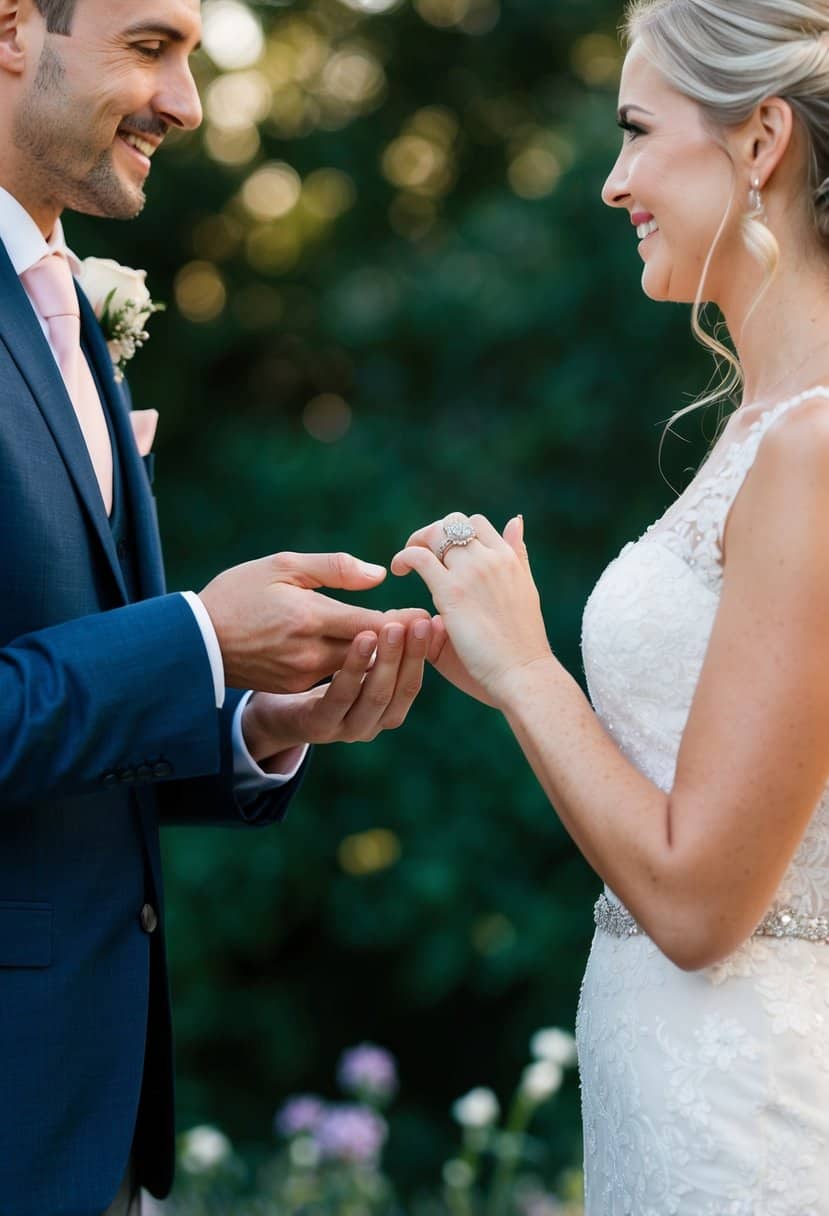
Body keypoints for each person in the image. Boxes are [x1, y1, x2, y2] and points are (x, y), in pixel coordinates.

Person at [393, 1, 829, 1210]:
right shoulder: (763, 428)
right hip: (679, 1099)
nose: (611, 182)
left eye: (636, 131)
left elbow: (698, 902)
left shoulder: (813, 446)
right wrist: (509, 677)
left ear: (759, 144)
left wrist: (535, 671)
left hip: (757, 1127)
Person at [0, 0, 433, 1213]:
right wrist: (194, 636)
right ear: (12, 29)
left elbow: (57, 703)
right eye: (150, 47)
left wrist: (251, 718)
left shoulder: (68, 310)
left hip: (88, 1119)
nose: (187, 103)